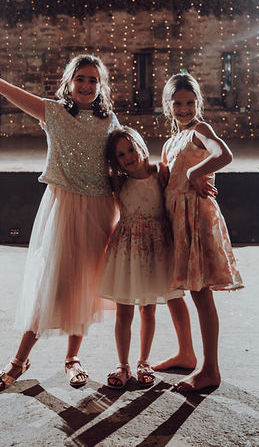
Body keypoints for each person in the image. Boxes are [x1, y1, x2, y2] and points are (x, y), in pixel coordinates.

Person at [0, 48, 119, 392]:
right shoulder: (54, 112)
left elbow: (123, 160)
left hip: (100, 207)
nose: (87, 85)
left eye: (93, 80)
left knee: (83, 286)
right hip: (64, 206)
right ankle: (19, 360)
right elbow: (4, 88)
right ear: (69, 82)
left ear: (101, 85)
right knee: (50, 283)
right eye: (81, 78)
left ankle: (72, 358)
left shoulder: (110, 120)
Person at [157, 72, 243, 393]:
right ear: (168, 106)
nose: (184, 108)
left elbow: (224, 154)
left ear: (198, 103)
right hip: (175, 220)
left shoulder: (200, 130)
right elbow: (164, 178)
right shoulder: (170, 141)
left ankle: (210, 370)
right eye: (177, 103)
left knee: (200, 292)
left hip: (196, 218)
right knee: (175, 290)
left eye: (190, 102)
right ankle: (185, 352)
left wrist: (196, 171)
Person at [97, 127, 183, 389]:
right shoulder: (117, 181)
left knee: (149, 308)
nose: (128, 157)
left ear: (141, 146)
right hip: (127, 250)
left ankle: (143, 361)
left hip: (155, 249)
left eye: (131, 149)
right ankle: (122, 365)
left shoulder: (160, 173)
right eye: (121, 155)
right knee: (124, 311)